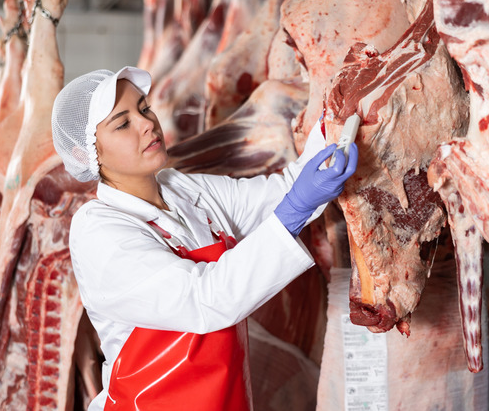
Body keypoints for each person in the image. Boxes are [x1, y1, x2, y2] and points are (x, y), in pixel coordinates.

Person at [51, 66, 358, 411]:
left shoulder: (182, 188)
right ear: (85, 155)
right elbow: (206, 299)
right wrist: (296, 207)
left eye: (144, 108)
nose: (147, 123)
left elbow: (285, 193)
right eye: (122, 124)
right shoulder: (98, 230)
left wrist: (332, 119)